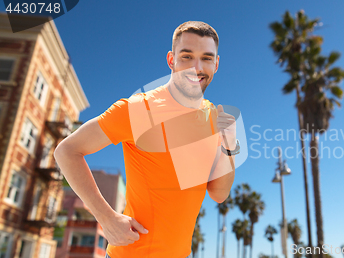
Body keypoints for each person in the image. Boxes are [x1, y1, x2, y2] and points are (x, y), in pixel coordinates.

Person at [54, 21, 238, 258]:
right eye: (186, 56)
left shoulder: (214, 116)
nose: (196, 67)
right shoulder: (138, 108)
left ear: (216, 63)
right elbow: (66, 151)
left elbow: (218, 193)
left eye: (206, 58)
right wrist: (106, 217)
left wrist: (229, 147)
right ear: (171, 60)